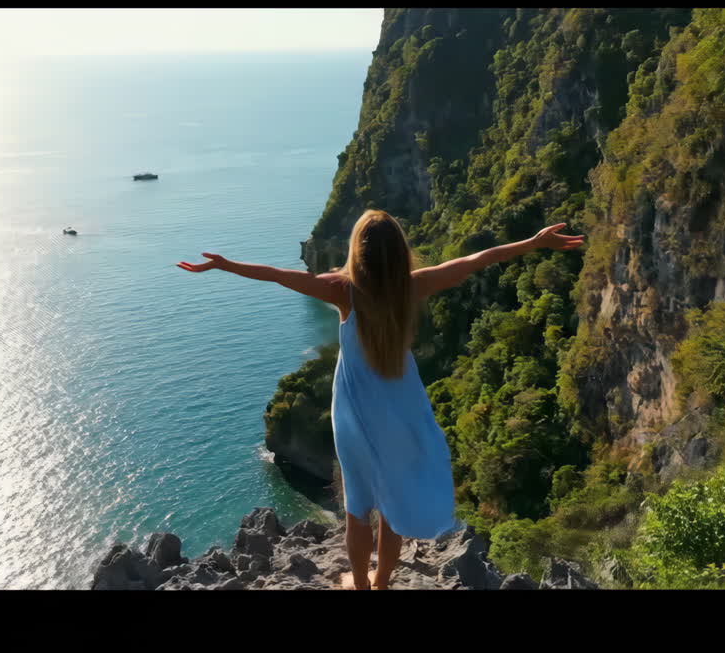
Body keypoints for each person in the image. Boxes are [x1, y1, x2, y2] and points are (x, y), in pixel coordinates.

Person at [177, 210, 585, 589]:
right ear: (399, 251)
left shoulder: (343, 291)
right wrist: (533, 242)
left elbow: (279, 275)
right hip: (402, 406)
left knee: (357, 509)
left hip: (354, 411)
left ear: (358, 251)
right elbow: (474, 260)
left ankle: (361, 584)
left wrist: (225, 265)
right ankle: (382, 582)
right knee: (390, 504)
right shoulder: (414, 285)